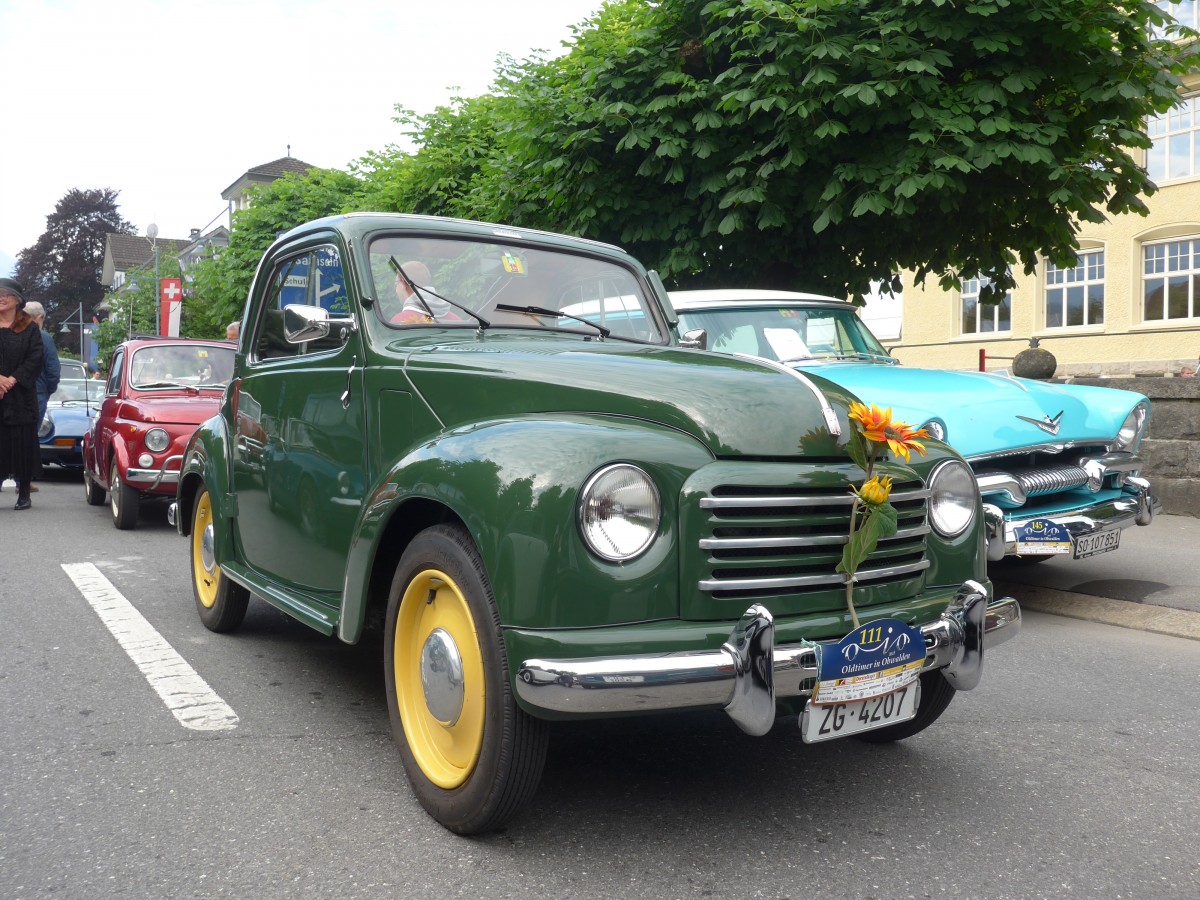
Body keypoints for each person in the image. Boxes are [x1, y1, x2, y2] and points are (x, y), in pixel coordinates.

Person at [0, 277, 45, 510]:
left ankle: (24, 493)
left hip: (20, 397)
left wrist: (11, 380)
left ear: (17, 301)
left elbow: (35, 359)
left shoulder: (29, 328)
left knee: (22, 444)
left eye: (5, 294)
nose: (1, 298)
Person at [22, 301, 61, 492]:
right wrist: (48, 390)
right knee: (28, 438)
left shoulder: (13, 334)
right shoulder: (43, 337)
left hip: (12, 392)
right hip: (36, 394)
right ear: (40, 317)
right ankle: (23, 483)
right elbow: (53, 369)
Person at [387, 261, 458, 324]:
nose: (395, 290)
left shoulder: (399, 323)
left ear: (403, 284)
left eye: (396, 284)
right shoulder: (457, 321)